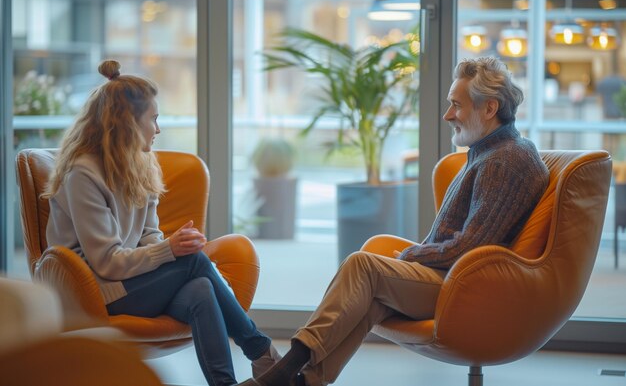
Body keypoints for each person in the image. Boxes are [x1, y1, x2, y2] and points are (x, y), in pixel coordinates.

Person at [237, 56, 550, 386]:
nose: (447, 115)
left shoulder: (506, 160)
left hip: (465, 289)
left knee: (364, 267)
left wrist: (409, 256)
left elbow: (473, 246)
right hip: (452, 278)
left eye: (456, 105)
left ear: (489, 108)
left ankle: (281, 374)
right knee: (369, 297)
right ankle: (304, 382)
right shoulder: (491, 151)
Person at [44, 60, 281, 386]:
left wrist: (167, 248)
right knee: (194, 262)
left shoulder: (140, 163)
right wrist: (170, 251)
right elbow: (106, 263)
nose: (158, 129)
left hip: (130, 281)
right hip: (93, 292)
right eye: (152, 119)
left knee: (200, 287)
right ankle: (262, 351)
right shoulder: (83, 173)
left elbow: (148, 235)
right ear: (126, 123)